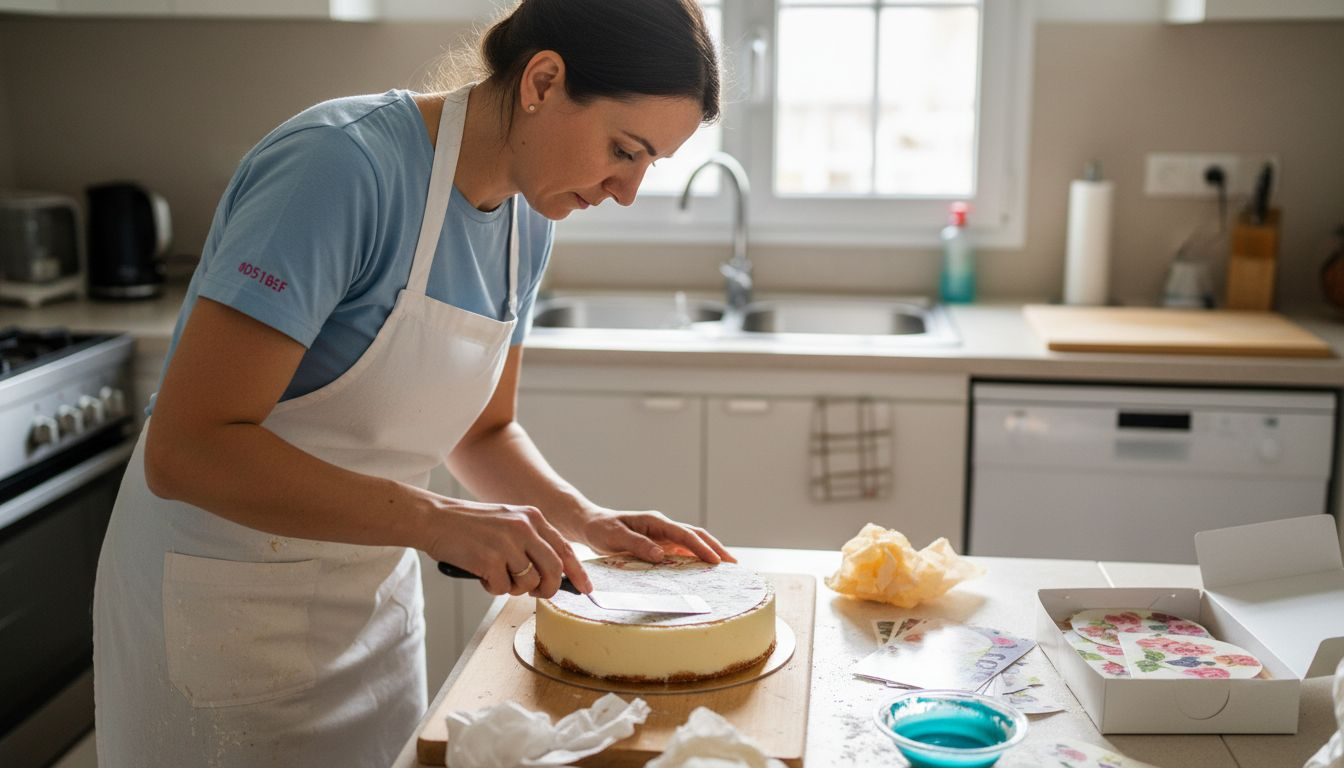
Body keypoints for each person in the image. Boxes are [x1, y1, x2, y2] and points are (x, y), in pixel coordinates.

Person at [92, 1, 729, 765]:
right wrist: (437, 520)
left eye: (649, 164)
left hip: (369, 609)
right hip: (222, 607)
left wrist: (584, 519)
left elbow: (483, 429)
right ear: (544, 80)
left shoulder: (530, 219)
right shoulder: (338, 166)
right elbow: (188, 451)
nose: (625, 191)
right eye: (624, 150)